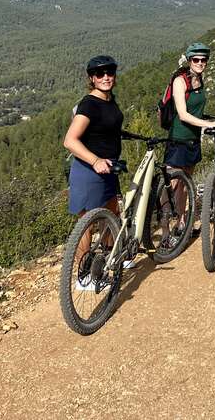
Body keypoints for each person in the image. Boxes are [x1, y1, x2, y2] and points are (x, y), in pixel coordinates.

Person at [63, 55, 127, 289]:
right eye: (99, 74)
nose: (106, 77)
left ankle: (110, 259)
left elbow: (106, 127)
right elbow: (70, 140)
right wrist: (95, 159)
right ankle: (84, 276)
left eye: (109, 72)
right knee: (87, 224)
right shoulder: (89, 103)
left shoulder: (109, 100)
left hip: (108, 168)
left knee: (111, 214)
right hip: (89, 170)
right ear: (92, 78)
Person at [164, 42, 215, 245]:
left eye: (204, 60)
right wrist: (208, 124)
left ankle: (182, 223)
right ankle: (166, 232)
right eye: (196, 59)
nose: (200, 63)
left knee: (185, 185)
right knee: (172, 184)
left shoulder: (199, 79)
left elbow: (197, 108)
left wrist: (208, 120)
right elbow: (183, 114)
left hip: (193, 140)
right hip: (178, 139)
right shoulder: (180, 80)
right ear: (189, 60)